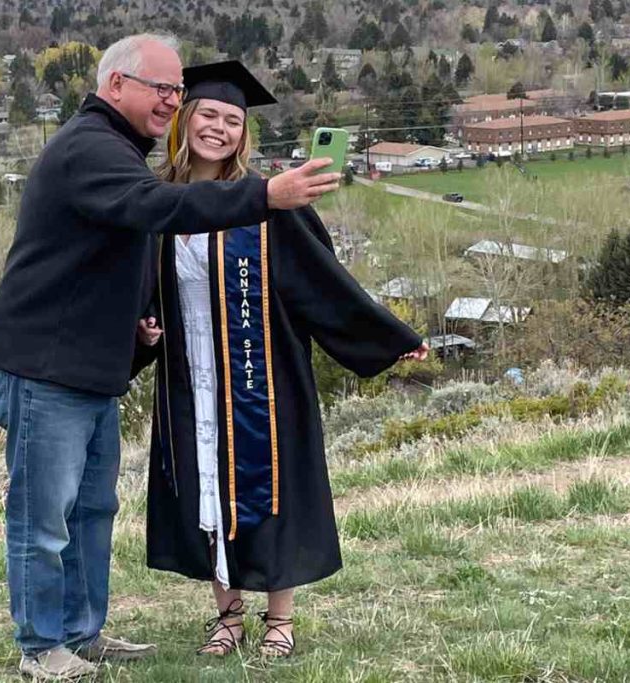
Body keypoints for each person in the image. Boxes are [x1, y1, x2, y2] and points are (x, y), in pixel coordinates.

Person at [0, 35, 342, 680]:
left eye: (179, 92)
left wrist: (140, 327)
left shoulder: (117, 150)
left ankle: (82, 633)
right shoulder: (91, 148)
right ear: (116, 84)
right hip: (44, 369)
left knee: (91, 511)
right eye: (164, 90)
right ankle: (42, 647)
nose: (174, 102)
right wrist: (265, 196)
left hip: (88, 369)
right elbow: (157, 207)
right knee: (43, 519)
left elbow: (112, 262)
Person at [132, 60, 428, 658]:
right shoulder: (157, 204)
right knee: (204, 488)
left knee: (272, 487)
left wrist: (387, 335)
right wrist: (140, 330)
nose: (219, 128)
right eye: (209, 115)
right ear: (186, 119)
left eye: (233, 121)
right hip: (190, 376)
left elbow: (325, 282)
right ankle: (227, 615)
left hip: (265, 376)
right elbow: (138, 286)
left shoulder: (271, 200)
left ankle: (280, 620)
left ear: (245, 133)